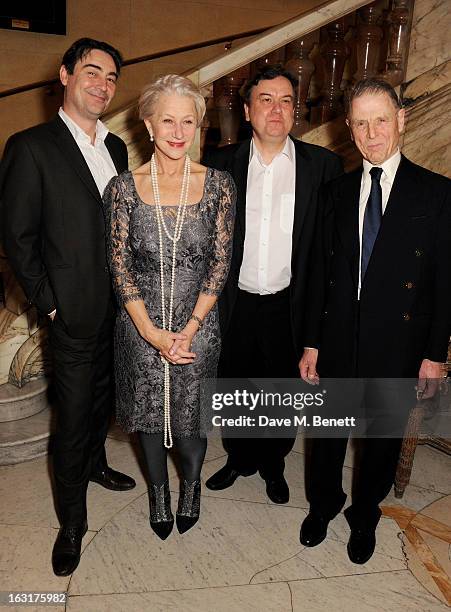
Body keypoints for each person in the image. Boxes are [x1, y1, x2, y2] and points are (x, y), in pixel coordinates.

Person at [299, 77, 451, 563]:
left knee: (381, 440)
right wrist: (311, 342)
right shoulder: (335, 193)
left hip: (399, 340)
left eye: (380, 120)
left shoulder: (437, 194)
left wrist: (434, 355)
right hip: (338, 336)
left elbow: (446, 282)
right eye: (360, 123)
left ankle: (364, 516)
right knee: (326, 435)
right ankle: (323, 505)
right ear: (348, 127)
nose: (371, 133)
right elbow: (318, 274)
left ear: (401, 119)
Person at [0, 38, 136, 577]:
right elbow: (16, 235)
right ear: (64, 74)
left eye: (111, 77)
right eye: (92, 72)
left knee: (104, 399)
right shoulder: (31, 146)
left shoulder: (117, 148)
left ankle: (99, 465)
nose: (102, 84)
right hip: (71, 313)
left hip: (120, 310)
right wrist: (50, 304)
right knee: (73, 418)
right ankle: (72, 523)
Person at [103, 75, 235, 540]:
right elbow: (119, 268)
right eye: (167, 120)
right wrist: (153, 334)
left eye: (188, 121)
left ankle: (191, 484)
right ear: (148, 124)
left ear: (199, 125)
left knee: (190, 419)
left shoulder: (219, 185)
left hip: (199, 325)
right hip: (140, 329)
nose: (178, 132)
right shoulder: (121, 189)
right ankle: (158, 491)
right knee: (147, 418)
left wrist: (191, 326)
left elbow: (220, 263)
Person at [203, 64, 343, 504]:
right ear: (247, 111)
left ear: (295, 110)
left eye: (286, 100)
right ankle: (239, 458)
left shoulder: (323, 166)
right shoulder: (220, 164)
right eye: (266, 100)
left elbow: (328, 250)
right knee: (234, 384)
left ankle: (274, 462)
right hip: (234, 301)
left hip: (290, 303)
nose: (276, 109)